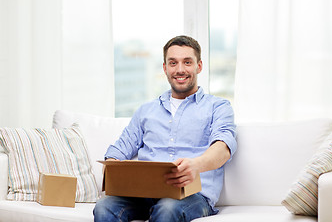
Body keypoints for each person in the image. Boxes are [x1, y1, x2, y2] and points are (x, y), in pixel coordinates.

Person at [93, 35, 237, 222]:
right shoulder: (146, 110)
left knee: (167, 209)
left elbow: (223, 147)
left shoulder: (218, 107)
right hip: (143, 195)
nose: (180, 70)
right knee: (104, 207)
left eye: (187, 62)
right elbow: (119, 151)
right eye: (173, 63)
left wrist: (195, 165)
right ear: (165, 68)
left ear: (199, 66)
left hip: (192, 196)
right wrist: (113, 169)